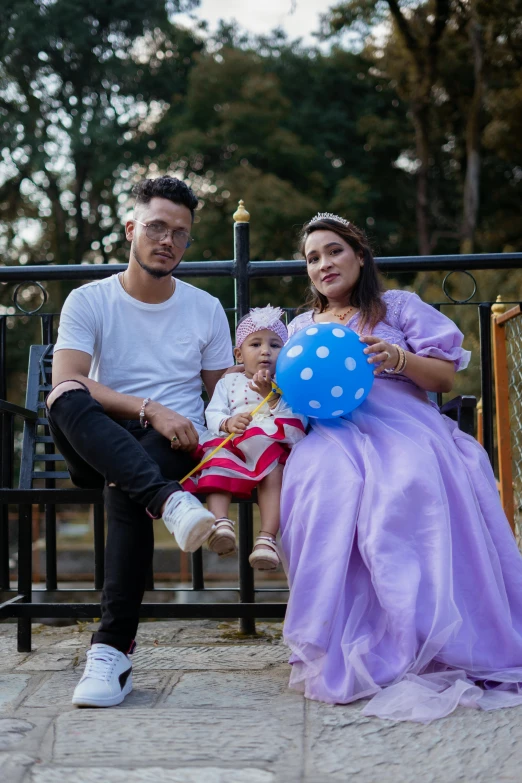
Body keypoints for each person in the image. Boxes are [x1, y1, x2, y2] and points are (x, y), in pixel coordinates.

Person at [280, 212, 522, 723]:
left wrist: (396, 357)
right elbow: (294, 397)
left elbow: (444, 380)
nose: (324, 264)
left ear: (359, 255)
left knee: (409, 477)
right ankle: (346, 634)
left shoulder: (398, 308)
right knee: (322, 479)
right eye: (313, 258)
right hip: (335, 434)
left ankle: (425, 634)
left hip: (405, 425)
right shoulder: (301, 327)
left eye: (334, 251)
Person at [46, 175, 234, 708]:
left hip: (170, 445)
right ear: (131, 229)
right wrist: (150, 407)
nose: (167, 240)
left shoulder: (205, 308)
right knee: (64, 395)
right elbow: (70, 379)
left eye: (179, 232)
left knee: (124, 484)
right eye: (156, 226)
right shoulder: (90, 300)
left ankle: (109, 653)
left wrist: (232, 419)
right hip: (99, 434)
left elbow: (221, 396)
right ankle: (169, 503)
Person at [185, 305, 307, 570]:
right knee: (215, 462)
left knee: (275, 475)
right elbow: (213, 412)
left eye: (275, 345)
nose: (265, 351)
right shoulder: (229, 382)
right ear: (239, 353)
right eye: (255, 344)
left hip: (268, 446)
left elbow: (296, 421)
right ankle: (220, 524)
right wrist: (227, 422)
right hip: (234, 443)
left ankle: (266, 539)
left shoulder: (286, 382)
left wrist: (272, 395)